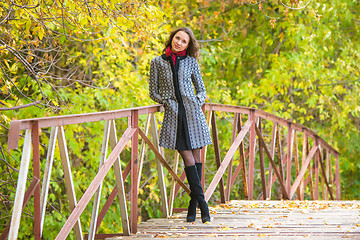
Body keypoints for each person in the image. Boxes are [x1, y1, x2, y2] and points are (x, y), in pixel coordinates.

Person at [149, 27, 212, 223]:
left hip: (194, 116)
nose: (179, 43)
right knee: (188, 158)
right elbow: (153, 92)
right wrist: (166, 101)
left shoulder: (191, 63)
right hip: (175, 117)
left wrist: (196, 100)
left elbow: (202, 90)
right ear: (172, 38)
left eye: (184, 41)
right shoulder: (157, 62)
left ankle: (192, 208)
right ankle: (203, 205)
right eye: (177, 38)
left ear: (187, 45)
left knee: (196, 158)